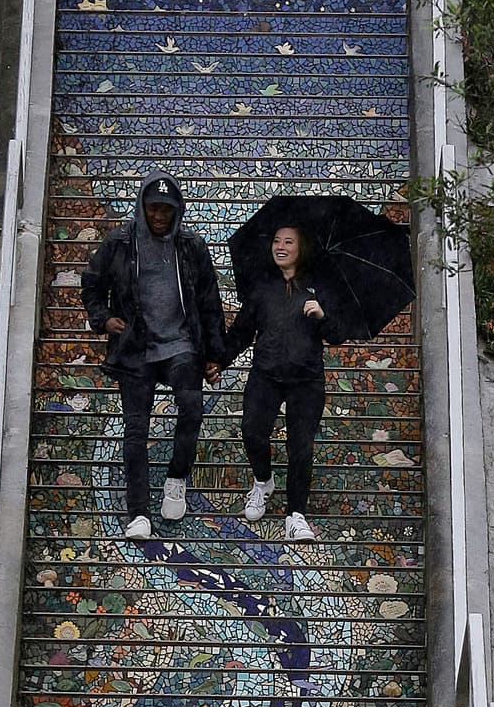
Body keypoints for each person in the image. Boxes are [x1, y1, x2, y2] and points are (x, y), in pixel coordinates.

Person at [81, 171, 226, 541]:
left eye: (166, 209)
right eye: (153, 208)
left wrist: (215, 354)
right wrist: (103, 319)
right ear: (142, 208)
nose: (159, 215)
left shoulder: (191, 246)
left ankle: (176, 478)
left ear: (177, 211)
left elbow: (210, 302)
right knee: (135, 430)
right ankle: (139, 514)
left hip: (181, 343)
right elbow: (92, 282)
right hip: (136, 347)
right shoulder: (120, 242)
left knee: (192, 405)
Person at [223, 223, 344, 542]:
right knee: (251, 431)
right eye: (276, 240)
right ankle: (263, 480)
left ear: (300, 248)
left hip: (306, 379)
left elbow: (338, 335)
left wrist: (323, 316)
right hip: (266, 373)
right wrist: (216, 360)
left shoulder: (320, 287)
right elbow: (241, 333)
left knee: (300, 448)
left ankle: (296, 515)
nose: (281, 246)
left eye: (288, 241)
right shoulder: (261, 287)